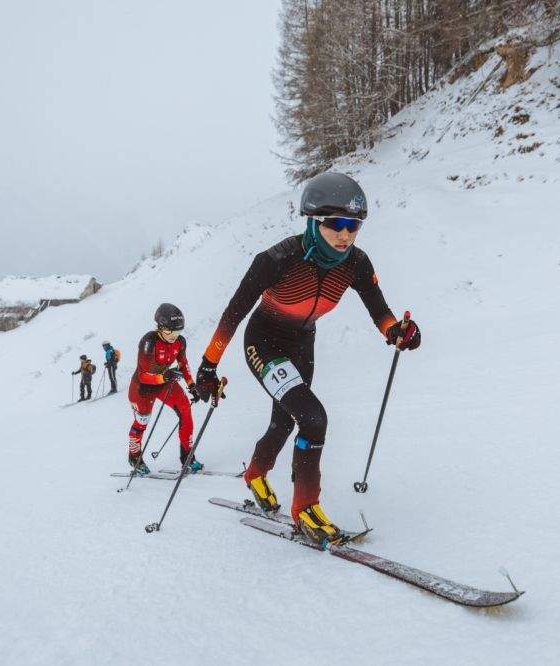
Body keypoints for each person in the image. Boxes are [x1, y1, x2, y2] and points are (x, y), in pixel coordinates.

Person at [193, 171, 420, 544]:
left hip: (302, 342)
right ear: (314, 221)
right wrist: (207, 366)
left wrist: (397, 332)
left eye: (354, 225)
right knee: (314, 419)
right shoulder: (276, 260)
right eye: (336, 223)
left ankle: (255, 474)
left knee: (286, 423)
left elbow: (380, 312)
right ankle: (305, 509)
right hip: (264, 341)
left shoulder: (356, 263)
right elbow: (232, 316)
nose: (346, 234)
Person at [126, 303, 201, 476]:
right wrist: (163, 377)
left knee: (185, 410)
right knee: (141, 423)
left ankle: (187, 457)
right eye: (169, 332)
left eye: (177, 332)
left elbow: (183, 364)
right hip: (142, 388)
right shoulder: (149, 341)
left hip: (164, 382)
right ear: (159, 327)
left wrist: (192, 385)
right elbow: (143, 374)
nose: (174, 337)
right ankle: (134, 457)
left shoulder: (180, 342)